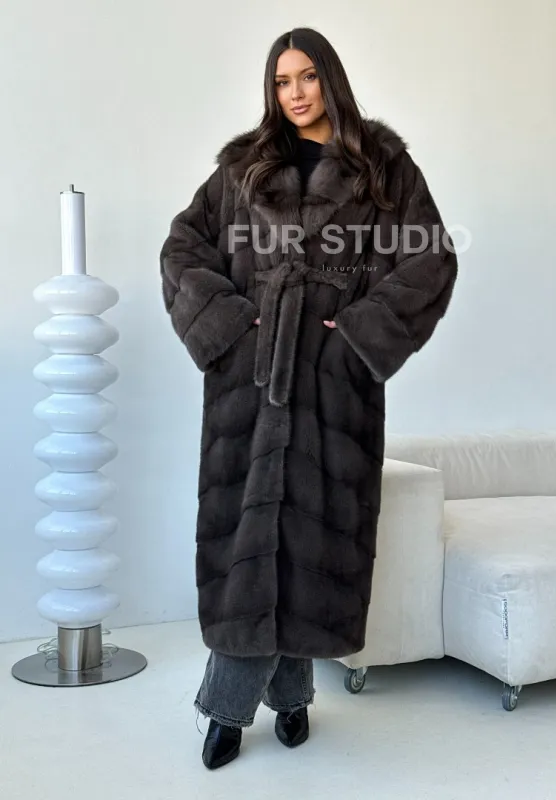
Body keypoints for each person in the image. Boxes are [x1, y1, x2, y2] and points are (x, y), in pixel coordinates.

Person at [159, 27, 459, 770]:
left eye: (307, 77)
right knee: (249, 546)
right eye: (281, 80)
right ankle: (242, 708)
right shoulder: (243, 168)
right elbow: (181, 249)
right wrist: (234, 322)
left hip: (330, 386)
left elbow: (431, 259)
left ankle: (278, 700)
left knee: (305, 544)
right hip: (249, 385)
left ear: (330, 78)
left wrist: (355, 337)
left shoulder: (382, 166)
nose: (294, 93)